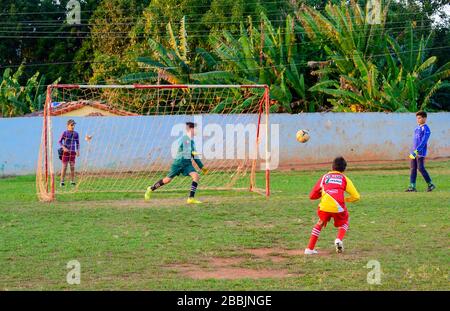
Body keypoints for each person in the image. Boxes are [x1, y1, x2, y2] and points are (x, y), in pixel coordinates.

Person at [305, 156, 360, 255]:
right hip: (338, 207)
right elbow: (356, 196)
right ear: (344, 169)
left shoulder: (325, 177)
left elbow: (312, 196)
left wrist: (322, 194)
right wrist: (344, 199)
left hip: (324, 207)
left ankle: (309, 248)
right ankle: (338, 239)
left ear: (332, 167)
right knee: (345, 222)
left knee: (320, 223)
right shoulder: (345, 178)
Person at [144, 122, 208, 204]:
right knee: (167, 180)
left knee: (196, 176)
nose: (197, 131)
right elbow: (185, 149)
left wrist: (202, 167)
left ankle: (191, 198)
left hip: (187, 164)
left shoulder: (192, 142)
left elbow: (195, 157)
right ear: (191, 129)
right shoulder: (184, 138)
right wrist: (191, 152)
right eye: (196, 129)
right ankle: (150, 189)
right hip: (178, 163)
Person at [405, 111, 436, 192]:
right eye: (417, 118)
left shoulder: (426, 129)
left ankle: (430, 184)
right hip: (413, 152)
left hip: (420, 152)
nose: (418, 120)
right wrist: (412, 151)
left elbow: (424, 141)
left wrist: (417, 151)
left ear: (424, 118)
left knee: (421, 168)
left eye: (419, 118)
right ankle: (412, 186)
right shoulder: (416, 129)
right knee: (413, 168)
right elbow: (415, 141)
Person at [58, 119, 80, 186]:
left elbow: (78, 143)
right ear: (68, 125)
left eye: (74, 125)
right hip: (66, 153)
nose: (73, 126)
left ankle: (72, 181)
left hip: (72, 152)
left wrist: (78, 150)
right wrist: (64, 148)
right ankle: (62, 181)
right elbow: (59, 141)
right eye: (71, 125)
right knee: (64, 167)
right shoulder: (64, 133)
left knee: (72, 167)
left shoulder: (76, 134)